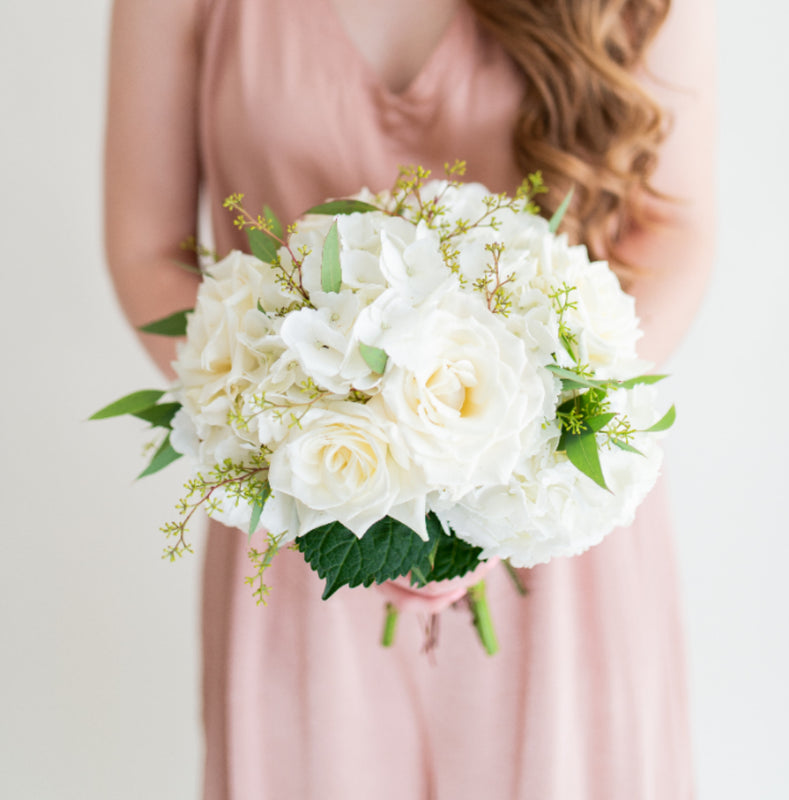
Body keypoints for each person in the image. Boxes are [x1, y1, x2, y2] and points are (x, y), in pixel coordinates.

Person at [104, 0, 716, 797]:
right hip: (311, 504)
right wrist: (299, 423)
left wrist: (514, 455)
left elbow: (673, 231)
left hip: (552, 516)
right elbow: (148, 250)